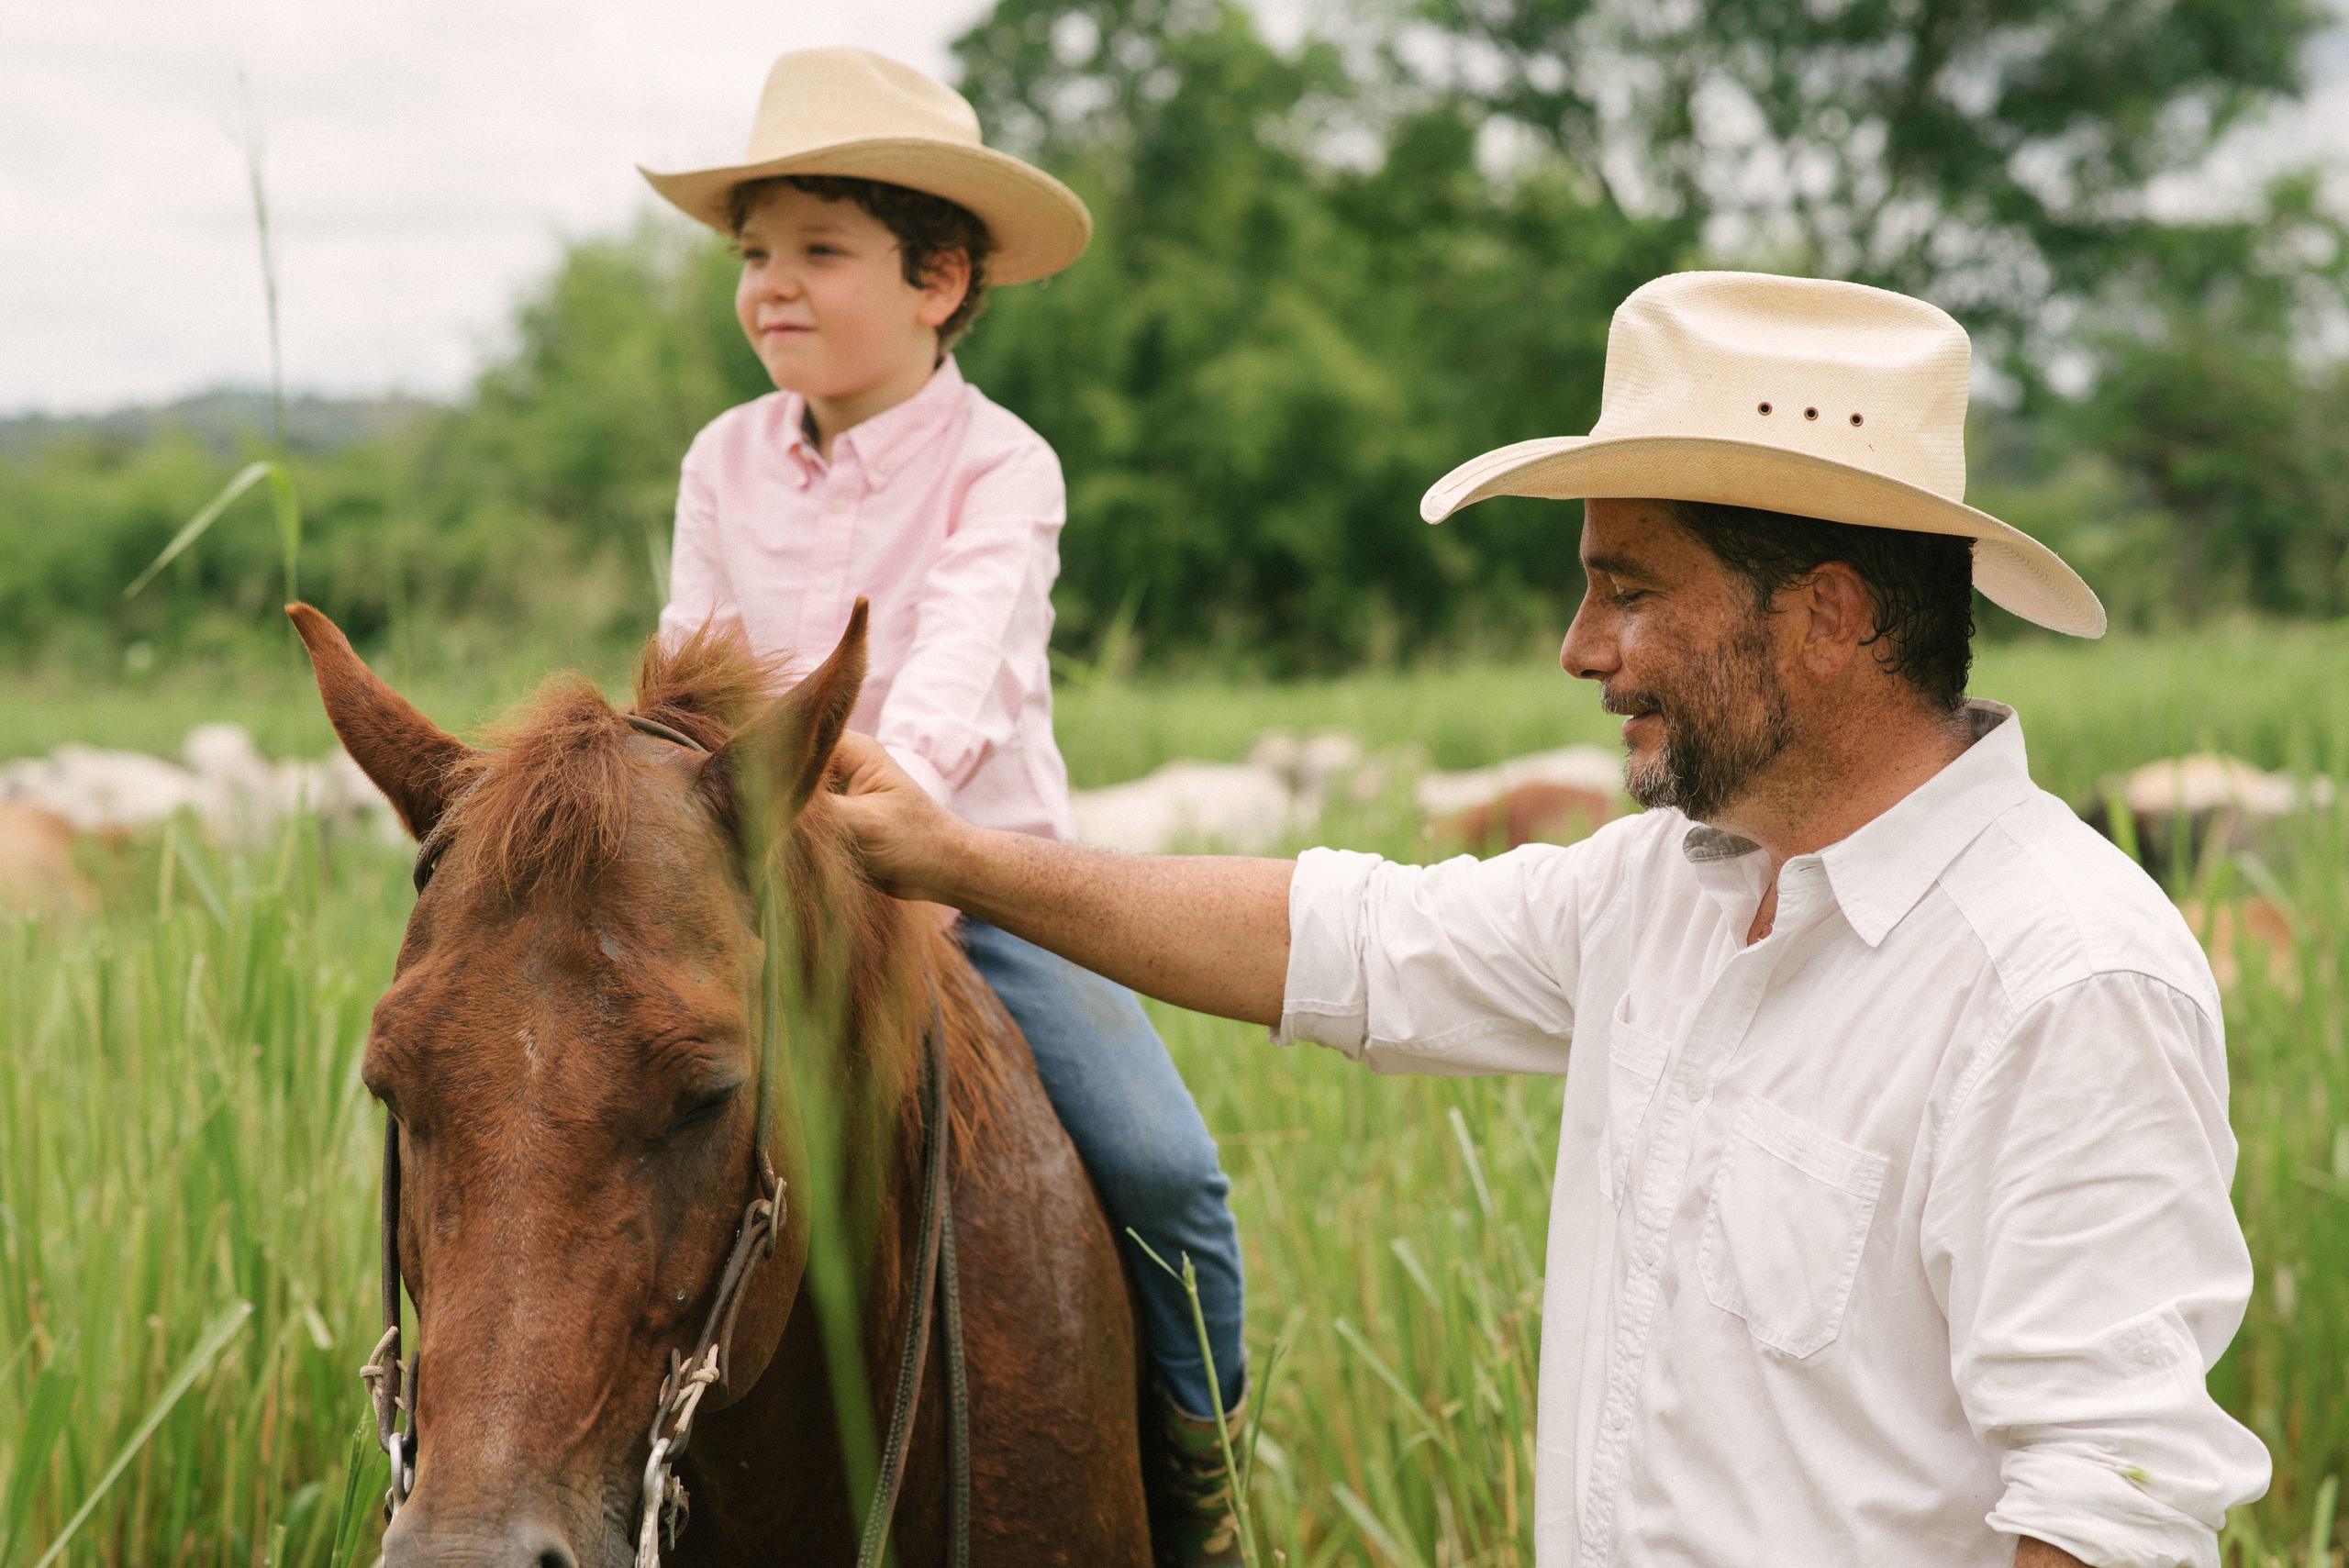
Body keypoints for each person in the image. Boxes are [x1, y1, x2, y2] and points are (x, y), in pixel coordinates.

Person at [827, 271, 2273, 1567]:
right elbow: (1349, 937)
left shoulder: (2061, 977)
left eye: (1627, 591)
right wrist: (954, 855)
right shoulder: (1665, 887)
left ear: (1828, 618)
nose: (1581, 651)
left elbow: (2109, 1505)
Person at [638, 48, 1251, 1563]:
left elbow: (952, 686)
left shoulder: (1003, 466)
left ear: (939, 276)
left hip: (982, 883)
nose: (773, 284)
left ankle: (1196, 1478)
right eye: (755, 253)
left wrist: (880, 809)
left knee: (1166, 1171)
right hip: (762, 893)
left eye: (819, 251)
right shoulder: (723, 459)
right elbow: (689, 677)